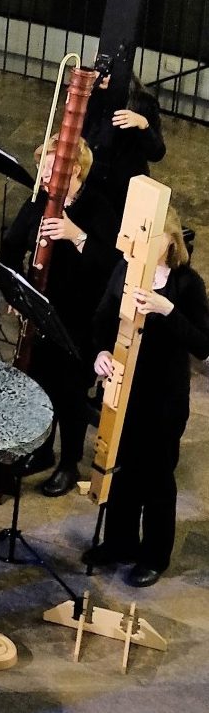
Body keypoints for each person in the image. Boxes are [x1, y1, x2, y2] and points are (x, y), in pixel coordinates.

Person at [86, 209, 208, 587]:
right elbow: (101, 321)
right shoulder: (126, 269)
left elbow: (202, 345)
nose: (136, 248)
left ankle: (155, 554)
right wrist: (101, 353)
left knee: (155, 475)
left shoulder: (187, 285)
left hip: (163, 398)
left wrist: (166, 309)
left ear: (169, 243)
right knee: (121, 471)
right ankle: (120, 542)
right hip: (125, 390)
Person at [0, 138, 115, 496]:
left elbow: (112, 267)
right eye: (43, 168)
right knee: (39, 384)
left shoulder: (98, 208)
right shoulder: (40, 201)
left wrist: (75, 235)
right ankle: (43, 451)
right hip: (42, 312)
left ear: (75, 170)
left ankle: (69, 463)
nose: (43, 175)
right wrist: (16, 295)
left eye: (50, 169)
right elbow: (10, 247)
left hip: (81, 318)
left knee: (71, 394)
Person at [84, 73, 165, 203]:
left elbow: (157, 153)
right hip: (91, 181)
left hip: (123, 186)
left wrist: (143, 124)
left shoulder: (143, 103)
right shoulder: (91, 96)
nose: (98, 74)